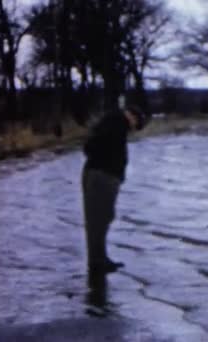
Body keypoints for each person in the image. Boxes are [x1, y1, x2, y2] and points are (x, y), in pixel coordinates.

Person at [81, 104, 147, 273]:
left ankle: (98, 259)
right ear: (132, 117)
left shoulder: (110, 122)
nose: (132, 129)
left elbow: (90, 147)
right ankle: (97, 261)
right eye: (135, 125)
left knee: (98, 220)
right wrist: (110, 168)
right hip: (103, 177)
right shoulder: (116, 124)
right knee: (100, 220)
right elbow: (95, 148)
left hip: (99, 175)